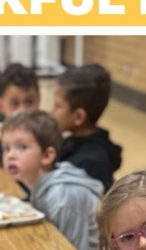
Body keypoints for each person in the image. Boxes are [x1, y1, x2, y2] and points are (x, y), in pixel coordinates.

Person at [1, 110, 104, 250]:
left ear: (47, 156)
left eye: (21, 147)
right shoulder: (43, 183)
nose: (10, 156)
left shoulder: (62, 197)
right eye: (6, 148)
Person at [51, 63, 122, 192]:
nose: (52, 112)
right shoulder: (72, 143)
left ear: (78, 117)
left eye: (57, 105)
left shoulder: (90, 164)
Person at [0, 62, 40, 164]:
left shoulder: (44, 134)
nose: (22, 111)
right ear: (0, 106)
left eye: (29, 102)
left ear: (39, 99)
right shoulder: (0, 133)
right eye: (14, 104)